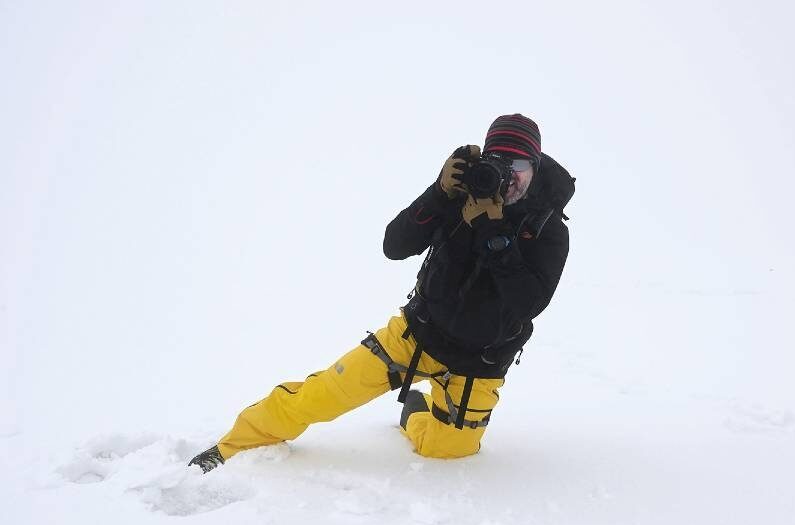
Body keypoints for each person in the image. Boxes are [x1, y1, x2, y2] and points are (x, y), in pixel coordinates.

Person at [189, 114, 573, 472]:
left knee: (446, 451)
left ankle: (417, 412)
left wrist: (494, 235)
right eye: (499, 162)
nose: (508, 179)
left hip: (481, 364)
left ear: (534, 170)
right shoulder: (459, 196)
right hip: (415, 336)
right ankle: (232, 447)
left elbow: (528, 304)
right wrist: (438, 194)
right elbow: (394, 245)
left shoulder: (547, 229)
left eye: (519, 168)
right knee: (321, 395)